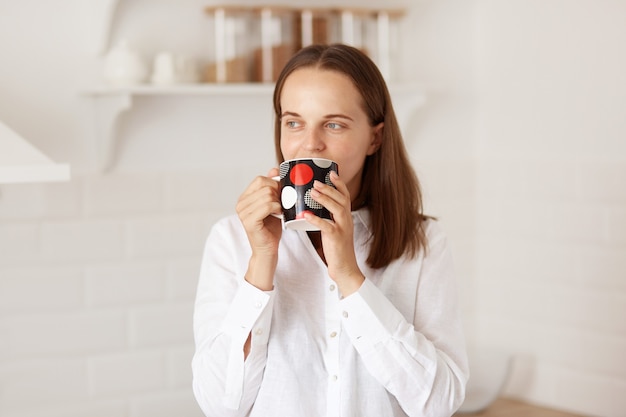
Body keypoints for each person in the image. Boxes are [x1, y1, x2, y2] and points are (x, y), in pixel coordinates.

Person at [192, 44, 468, 417]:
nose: (309, 144)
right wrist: (261, 262)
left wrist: (350, 277)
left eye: (334, 124)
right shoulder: (232, 239)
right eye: (294, 122)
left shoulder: (422, 244)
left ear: (375, 138)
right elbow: (220, 405)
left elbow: (439, 403)